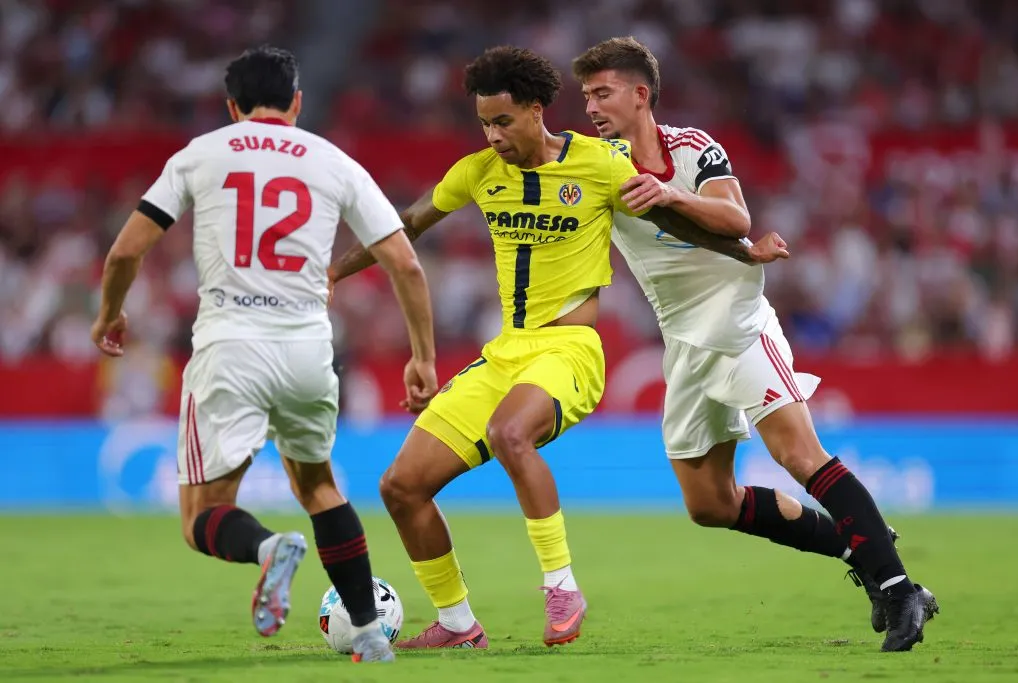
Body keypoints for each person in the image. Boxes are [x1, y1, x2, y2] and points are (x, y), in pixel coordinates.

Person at [326, 45, 788, 650]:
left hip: (570, 350)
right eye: (484, 123)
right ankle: (458, 625)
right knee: (400, 487)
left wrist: (742, 250)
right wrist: (331, 273)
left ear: (537, 109)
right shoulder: (476, 173)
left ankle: (562, 586)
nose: (493, 135)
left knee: (509, 435)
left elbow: (670, 220)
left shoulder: (597, 162)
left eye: (504, 121)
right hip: (505, 354)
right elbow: (403, 227)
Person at [570, 37, 939, 652]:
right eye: (585, 95)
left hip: (739, 320)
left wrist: (671, 195)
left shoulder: (692, 148)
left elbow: (735, 217)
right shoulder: (597, 161)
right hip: (683, 338)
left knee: (799, 452)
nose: (590, 106)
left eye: (602, 92)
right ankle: (863, 542)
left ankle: (900, 590)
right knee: (709, 503)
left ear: (641, 94)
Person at [90, 45, 438, 664]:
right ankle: (367, 633)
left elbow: (124, 253)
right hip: (308, 349)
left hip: (231, 346)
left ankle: (267, 550)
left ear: (231, 107)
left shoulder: (201, 153)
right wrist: (422, 358)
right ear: (297, 103)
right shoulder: (335, 162)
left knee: (203, 513)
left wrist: (111, 312)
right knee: (320, 487)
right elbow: (406, 263)